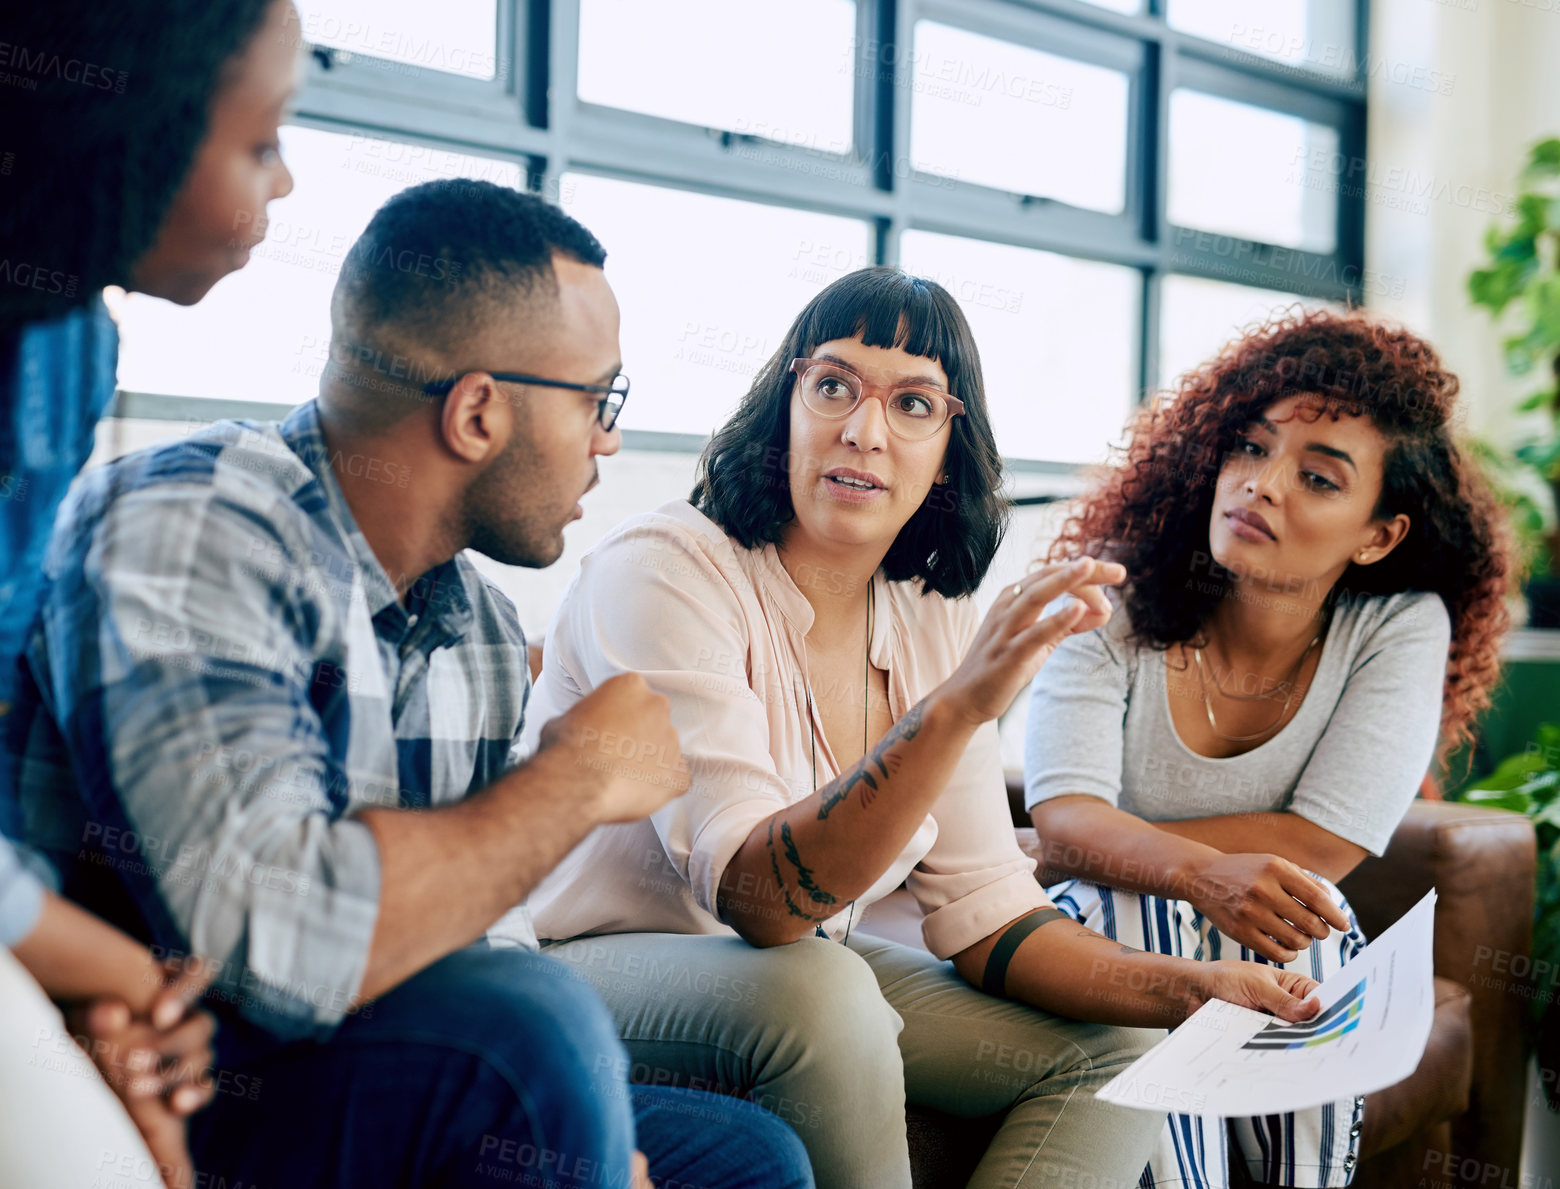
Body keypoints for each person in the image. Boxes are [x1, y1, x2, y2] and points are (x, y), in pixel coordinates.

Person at [25, 177, 814, 1189]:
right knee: (531, 1033)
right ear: (479, 411)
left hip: (338, 1053)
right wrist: (575, 778)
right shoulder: (197, 524)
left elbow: (478, 940)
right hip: (151, 1082)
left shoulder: (477, 627)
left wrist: (608, 1149)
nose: (608, 441)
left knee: (748, 1158)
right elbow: (280, 946)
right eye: (599, 400)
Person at [520, 266, 1326, 1189]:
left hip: (794, 973)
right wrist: (958, 709)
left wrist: (1185, 987)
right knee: (825, 989)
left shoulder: (927, 609)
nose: (862, 428)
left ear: (949, 447)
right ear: (784, 403)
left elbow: (990, 912)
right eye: (832, 386)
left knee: (1119, 1043)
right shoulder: (667, 568)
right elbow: (760, 897)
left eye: (912, 404)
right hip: (586, 966)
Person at [0, 0, 303, 1185]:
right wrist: (75, 952)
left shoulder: (63, 346)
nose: (287, 182)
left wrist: (72, 1010)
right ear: (110, 127)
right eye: (262, 140)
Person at [1023, 307, 1513, 1188]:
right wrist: (1154, 866)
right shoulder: (1111, 598)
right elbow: (1062, 818)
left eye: (1319, 478)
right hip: (1100, 928)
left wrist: (1121, 843)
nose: (1262, 483)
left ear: (1378, 534)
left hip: (1263, 929)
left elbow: (1327, 840)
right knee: (1166, 909)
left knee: (1306, 907)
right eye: (1249, 447)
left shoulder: (1397, 625)